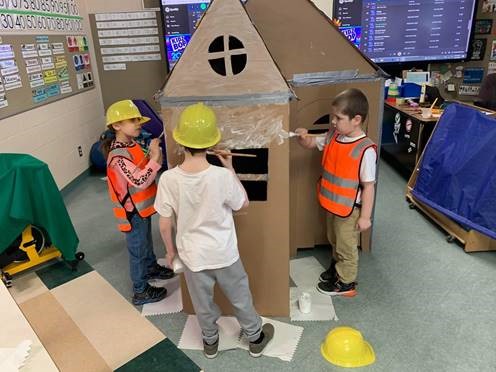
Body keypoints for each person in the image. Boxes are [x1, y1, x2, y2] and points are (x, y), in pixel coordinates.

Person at [154, 103, 274, 359]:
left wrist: (169, 252)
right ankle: (255, 338)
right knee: (240, 296)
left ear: (181, 141)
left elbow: (164, 223)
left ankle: (210, 343)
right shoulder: (221, 176)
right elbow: (243, 203)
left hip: (192, 256)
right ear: (211, 143)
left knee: (202, 303)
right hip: (224, 253)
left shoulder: (168, 179)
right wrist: (230, 168)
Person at [295, 88, 377, 297]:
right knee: (334, 239)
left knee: (346, 245)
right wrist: (303, 138)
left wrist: (366, 217)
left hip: (350, 210)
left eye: (338, 118)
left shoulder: (364, 149)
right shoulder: (334, 136)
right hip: (332, 205)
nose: (333, 121)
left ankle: (346, 282)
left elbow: (368, 186)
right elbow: (312, 143)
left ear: (356, 119)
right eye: (333, 116)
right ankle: (337, 269)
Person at [101, 100, 174, 306]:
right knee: (138, 249)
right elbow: (141, 181)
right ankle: (140, 290)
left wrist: (153, 156)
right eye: (133, 120)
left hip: (142, 209)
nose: (138, 124)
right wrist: (156, 155)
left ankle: (151, 268)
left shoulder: (132, 144)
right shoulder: (118, 156)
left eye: (138, 120)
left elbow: (150, 169)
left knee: (146, 242)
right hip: (131, 212)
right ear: (117, 125)